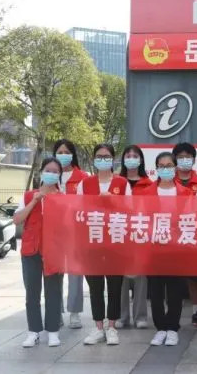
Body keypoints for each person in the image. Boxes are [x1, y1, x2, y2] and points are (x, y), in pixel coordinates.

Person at [78, 144, 132, 346]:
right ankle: (98, 327)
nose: (103, 159)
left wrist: (113, 200)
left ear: (113, 159)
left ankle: (112, 327)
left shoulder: (122, 183)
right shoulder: (85, 183)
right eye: (99, 156)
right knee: (95, 285)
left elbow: (131, 209)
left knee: (115, 285)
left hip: (115, 240)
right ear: (94, 159)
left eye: (106, 156)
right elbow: (78, 210)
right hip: (91, 241)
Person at [139, 152, 192, 346]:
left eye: (169, 165)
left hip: (176, 248)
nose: (166, 169)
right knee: (156, 291)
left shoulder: (185, 193)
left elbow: (190, 218)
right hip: (154, 248)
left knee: (175, 290)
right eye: (161, 166)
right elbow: (141, 218)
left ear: (175, 167)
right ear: (156, 169)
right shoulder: (147, 193)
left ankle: (172, 328)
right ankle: (160, 328)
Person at [14, 158, 64, 348]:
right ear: (42, 172)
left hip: (54, 251)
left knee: (53, 292)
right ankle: (33, 331)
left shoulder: (63, 197)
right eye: (48, 170)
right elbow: (17, 219)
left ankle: (53, 332)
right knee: (32, 292)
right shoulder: (29, 195)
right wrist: (35, 200)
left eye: (55, 171)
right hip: (31, 250)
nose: (51, 174)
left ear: (59, 175)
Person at [53, 139, 88, 330]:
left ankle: (75, 312)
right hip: (54, 232)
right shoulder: (50, 175)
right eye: (59, 152)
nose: (63, 155)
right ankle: (56, 311)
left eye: (66, 152)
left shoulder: (83, 177)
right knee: (55, 272)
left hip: (75, 232)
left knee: (75, 273)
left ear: (73, 154)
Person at [172, 142, 197, 328]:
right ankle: (172, 315)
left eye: (188, 157)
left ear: (194, 160)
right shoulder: (167, 180)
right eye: (180, 157)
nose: (184, 160)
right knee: (173, 276)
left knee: (195, 276)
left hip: (194, 233)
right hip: (170, 233)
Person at [117, 145, 152, 330]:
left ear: (141, 160)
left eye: (135, 155)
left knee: (140, 276)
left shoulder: (149, 184)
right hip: (119, 233)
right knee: (120, 277)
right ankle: (121, 316)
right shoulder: (117, 182)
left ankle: (140, 316)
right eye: (128, 155)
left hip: (140, 233)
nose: (131, 158)